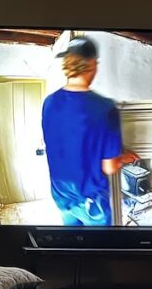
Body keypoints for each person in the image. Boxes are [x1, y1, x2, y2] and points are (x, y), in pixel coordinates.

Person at [40, 36, 139, 226]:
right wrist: (125, 156)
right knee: (96, 252)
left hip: (61, 197)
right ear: (93, 64)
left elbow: (62, 144)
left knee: (74, 247)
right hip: (91, 204)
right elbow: (109, 167)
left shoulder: (49, 103)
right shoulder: (105, 108)